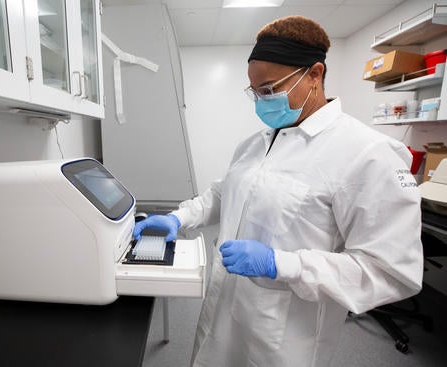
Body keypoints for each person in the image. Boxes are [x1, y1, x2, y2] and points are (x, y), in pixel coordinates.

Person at [133, 15, 423, 367]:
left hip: (282, 337)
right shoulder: (255, 144)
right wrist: (179, 218)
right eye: (254, 92)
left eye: (269, 89)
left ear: (314, 74)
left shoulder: (367, 154)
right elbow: (225, 194)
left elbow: (390, 270)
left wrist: (280, 264)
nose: (260, 101)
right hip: (222, 311)